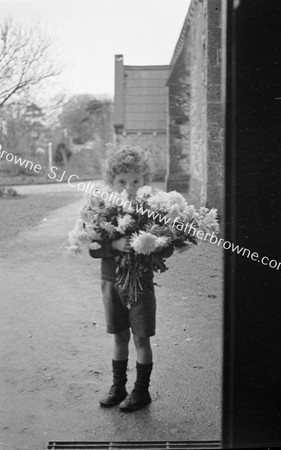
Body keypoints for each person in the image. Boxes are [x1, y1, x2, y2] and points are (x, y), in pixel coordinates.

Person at [89, 145, 173, 412]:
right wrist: (114, 246)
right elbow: (92, 246)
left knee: (141, 337)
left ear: (145, 181)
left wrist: (151, 243)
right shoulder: (102, 209)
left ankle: (141, 390)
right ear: (111, 183)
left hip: (140, 284)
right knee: (119, 336)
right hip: (111, 282)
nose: (130, 187)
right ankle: (118, 386)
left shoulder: (153, 209)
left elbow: (169, 245)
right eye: (122, 181)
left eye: (136, 181)